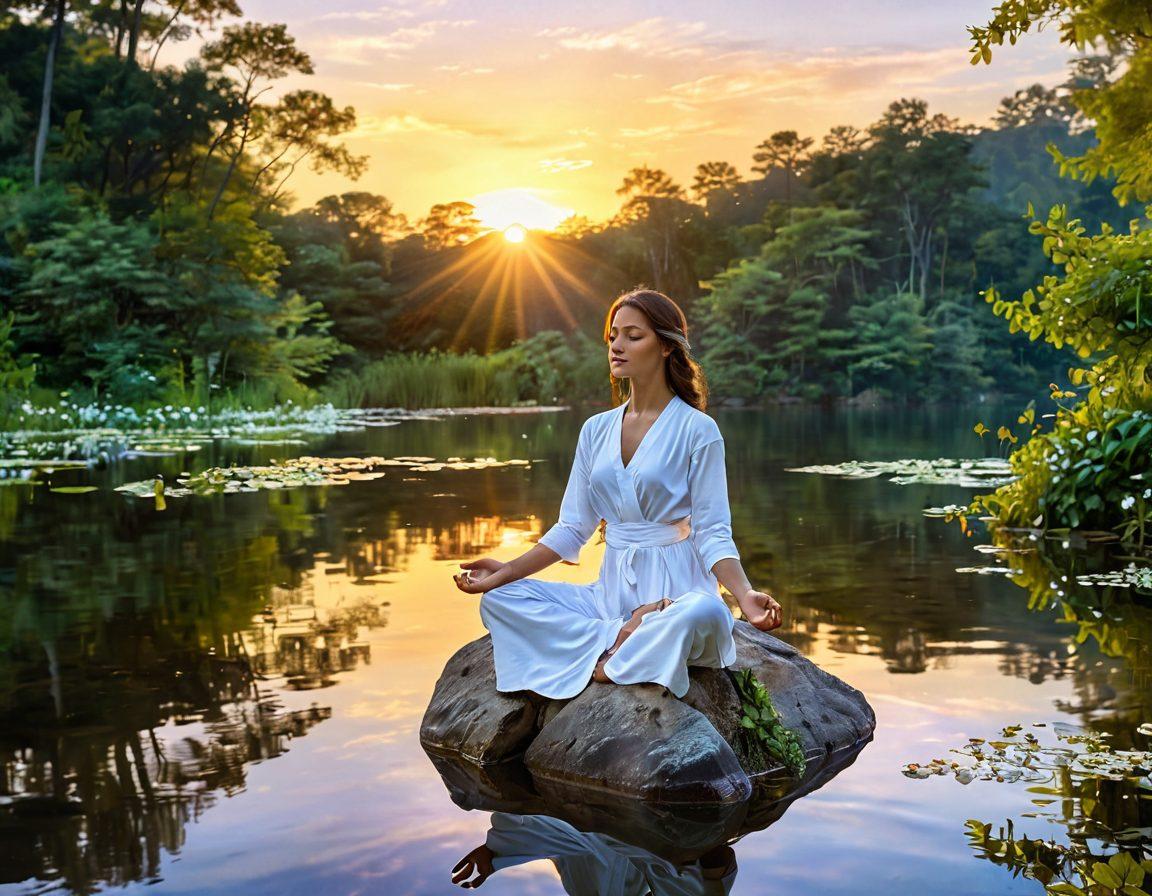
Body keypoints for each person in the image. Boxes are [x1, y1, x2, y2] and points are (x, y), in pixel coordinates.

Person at [453, 288, 782, 700]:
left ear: (665, 346)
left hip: (679, 593)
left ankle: (639, 629)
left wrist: (745, 593)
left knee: (708, 611)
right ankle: (624, 633)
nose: (617, 346)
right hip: (609, 597)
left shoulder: (697, 430)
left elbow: (713, 531)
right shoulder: (595, 429)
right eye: (613, 336)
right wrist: (505, 572)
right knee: (500, 601)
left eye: (633, 335)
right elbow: (573, 527)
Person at [450, 811, 738, 894]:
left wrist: (496, 851)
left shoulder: (584, 886)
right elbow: (563, 839)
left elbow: (562, 840)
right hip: (643, 832)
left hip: (613, 827)